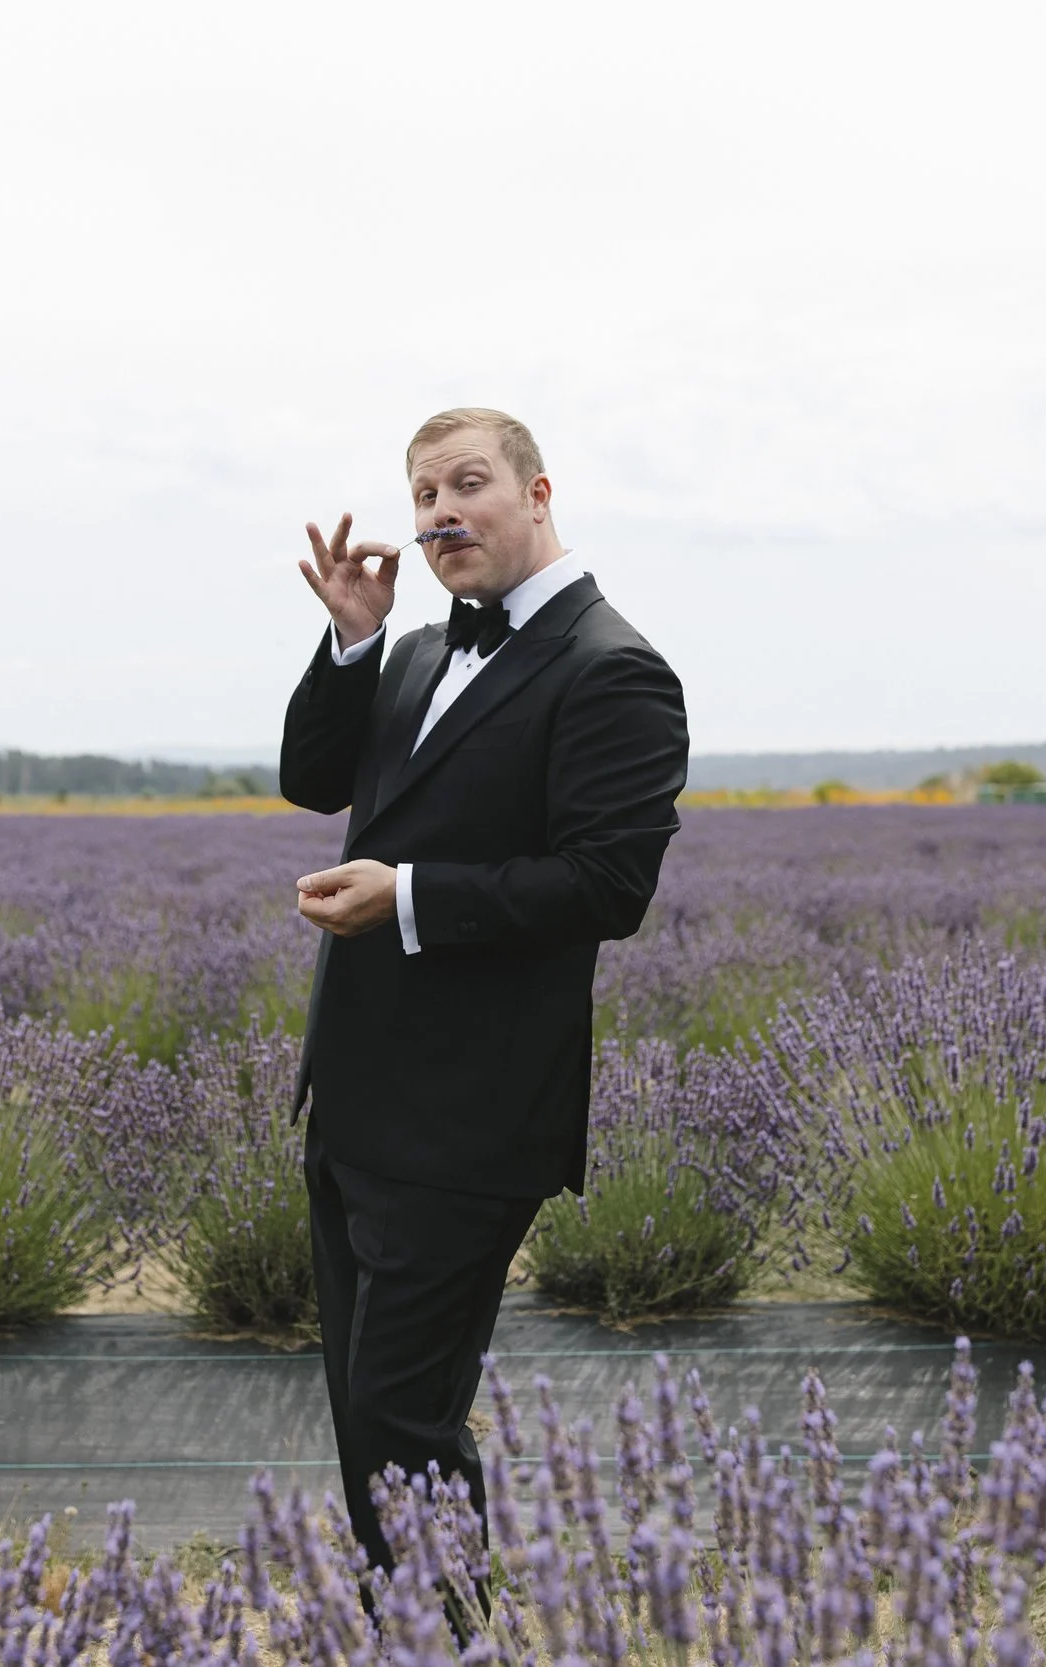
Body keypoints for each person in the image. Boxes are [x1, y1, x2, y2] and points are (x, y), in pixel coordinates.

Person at [279, 406, 690, 1572]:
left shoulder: (615, 668)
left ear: (539, 493)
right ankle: (412, 1624)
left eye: (468, 484)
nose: (441, 512)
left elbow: (607, 885)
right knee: (370, 1420)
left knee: (402, 1419)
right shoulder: (413, 652)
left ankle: (440, 1632)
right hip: (354, 1098)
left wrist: (405, 896)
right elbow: (309, 777)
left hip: (469, 1117)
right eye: (423, 496)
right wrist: (353, 642)